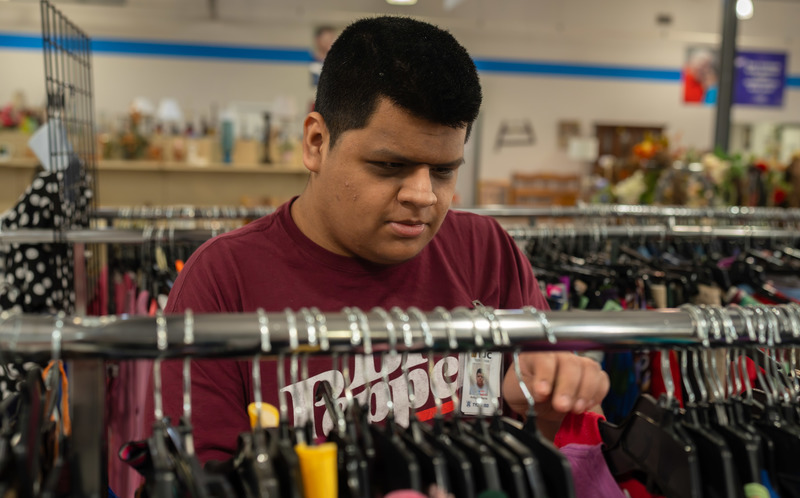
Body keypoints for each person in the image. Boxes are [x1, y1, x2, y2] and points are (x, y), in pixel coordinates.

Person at [152, 15, 609, 465]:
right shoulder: (223, 280)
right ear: (315, 142)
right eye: (389, 166)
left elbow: (546, 440)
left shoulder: (485, 249)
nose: (423, 195)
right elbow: (199, 473)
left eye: (444, 170)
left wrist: (549, 404)